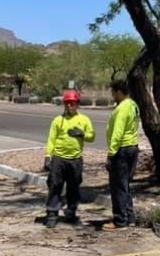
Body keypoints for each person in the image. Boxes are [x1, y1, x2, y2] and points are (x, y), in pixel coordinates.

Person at [43, 89, 95, 228]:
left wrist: (82, 134)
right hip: (59, 158)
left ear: (77, 104)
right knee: (55, 185)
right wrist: (48, 156)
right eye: (67, 103)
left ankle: (71, 212)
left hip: (75, 159)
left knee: (73, 187)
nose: (69, 106)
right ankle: (52, 213)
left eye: (72, 103)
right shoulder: (58, 121)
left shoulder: (84, 120)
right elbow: (51, 139)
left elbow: (92, 136)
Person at [103, 79, 140, 230]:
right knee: (125, 184)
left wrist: (111, 154)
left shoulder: (123, 108)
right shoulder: (133, 105)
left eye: (113, 92)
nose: (112, 94)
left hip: (122, 150)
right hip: (132, 147)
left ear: (119, 91)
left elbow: (118, 132)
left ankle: (119, 220)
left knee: (117, 185)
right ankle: (129, 216)